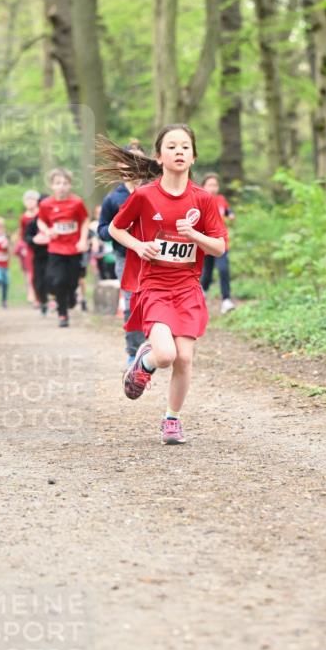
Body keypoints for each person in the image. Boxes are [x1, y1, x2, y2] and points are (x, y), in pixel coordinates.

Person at [102, 124, 228, 445]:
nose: (179, 152)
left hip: (187, 286)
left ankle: (172, 420)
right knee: (166, 355)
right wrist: (138, 246)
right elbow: (116, 229)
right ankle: (144, 361)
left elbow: (219, 247)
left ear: (194, 157)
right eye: (171, 147)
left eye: (185, 147)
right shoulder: (145, 196)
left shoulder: (203, 200)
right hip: (154, 285)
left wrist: (194, 235)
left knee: (184, 357)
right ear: (159, 157)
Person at [98, 142, 147, 366]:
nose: (133, 165)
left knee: (153, 301)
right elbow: (102, 229)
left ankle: (155, 344)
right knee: (131, 302)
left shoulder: (153, 192)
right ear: (121, 165)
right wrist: (117, 232)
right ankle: (133, 350)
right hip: (124, 257)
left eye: (138, 160)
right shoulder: (113, 199)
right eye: (129, 160)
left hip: (154, 257)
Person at [37, 168, 89, 328]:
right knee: (58, 280)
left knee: (73, 281)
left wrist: (82, 240)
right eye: (58, 183)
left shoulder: (77, 202)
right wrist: (47, 231)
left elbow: (85, 221)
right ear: (52, 186)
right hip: (56, 248)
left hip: (73, 248)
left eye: (65, 183)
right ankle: (62, 313)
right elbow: (41, 221)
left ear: (70, 185)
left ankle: (71, 295)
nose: (62, 186)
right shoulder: (46, 204)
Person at [199, 172, 236, 314]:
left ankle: (226, 300)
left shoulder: (221, 199)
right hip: (206, 243)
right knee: (207, 273)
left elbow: (226, 210)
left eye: (215, 185)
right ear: (203, 186)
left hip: (221, 242)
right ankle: (201, 295)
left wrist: (230, 214)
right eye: (210, 185)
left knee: (223, 269)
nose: (213, 188)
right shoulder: (200, 200)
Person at [23, 203, 50, 314]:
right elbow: (26, 237)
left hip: (53, 254)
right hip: (38, 255)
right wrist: (34, 239)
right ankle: (43, 301)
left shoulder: (52, 221)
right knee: (38, 280)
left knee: (52, 277)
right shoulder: (34, 222)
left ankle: (54, 299)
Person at [17, 190, 40, 303]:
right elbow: (22, 234)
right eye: (28, 200)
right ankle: (32, 293)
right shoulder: (23, 218)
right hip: (29, 247)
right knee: (30, 272)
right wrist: (23, 247)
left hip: (42, 247)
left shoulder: (41, 214)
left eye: (33, 199)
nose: (30, 202)